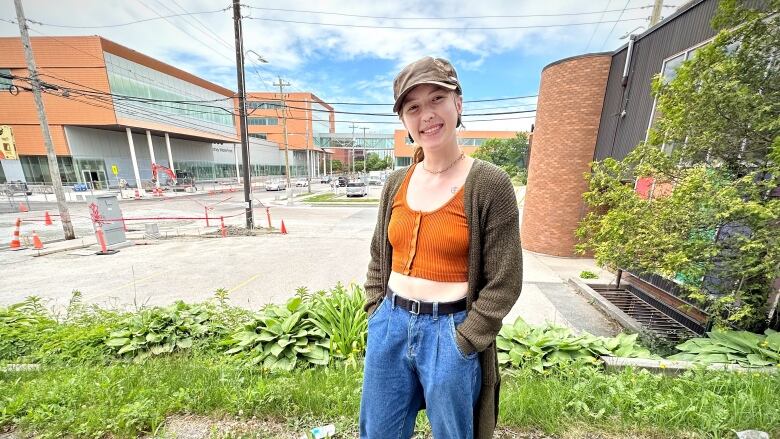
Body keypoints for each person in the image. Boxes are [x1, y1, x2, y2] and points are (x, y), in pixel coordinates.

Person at [360, 56, 523, 439]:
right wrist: (375, 311)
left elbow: (506, 279)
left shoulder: (490, 184)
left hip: (450, 332)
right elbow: (377, 258)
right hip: (390, 325)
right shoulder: (395, 182)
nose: (427, 115)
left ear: (458, 104)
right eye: (413, 107)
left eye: (437, 99)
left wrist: (466, 338)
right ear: (404, 120)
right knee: (377, 432)